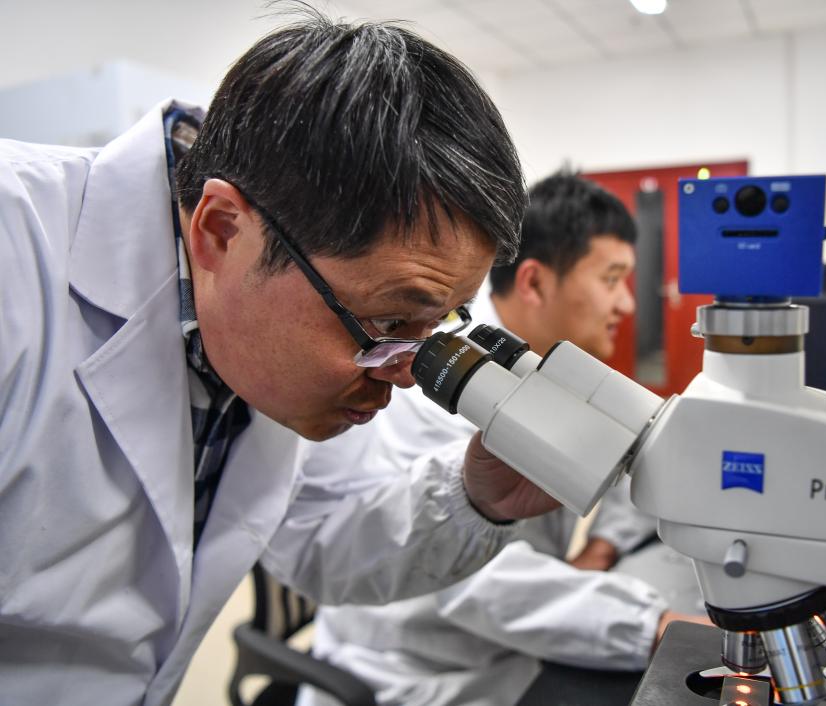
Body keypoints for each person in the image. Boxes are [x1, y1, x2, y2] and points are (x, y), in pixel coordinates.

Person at [0, 11, 561, 705]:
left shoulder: (268, 318)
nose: (408, 373)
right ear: (221, 230)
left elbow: (319, 535)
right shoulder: (16, 265)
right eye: (390, 321)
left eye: (439, 321)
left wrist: (479, 494)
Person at [297, 173, 702, 706]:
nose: (626, 303)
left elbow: (625, 458)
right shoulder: (440, 387)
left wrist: (600, 548)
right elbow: (477, 582)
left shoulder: (548, 362)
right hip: (420, 670)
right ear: (534, 283)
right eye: (611, 279)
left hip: (503, 646)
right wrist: (653, 625)